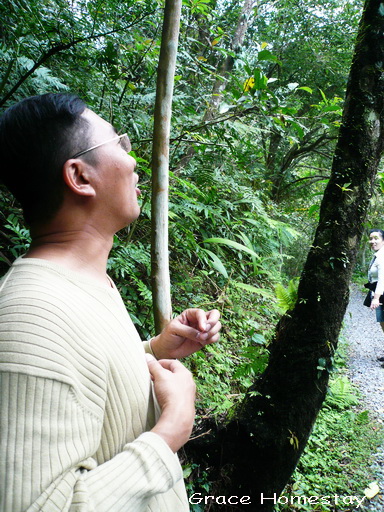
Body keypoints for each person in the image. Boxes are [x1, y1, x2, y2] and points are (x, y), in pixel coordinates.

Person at [0, 93, 221, 512]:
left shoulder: (84, 282)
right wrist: (170, 432)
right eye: (119, 143)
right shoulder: (30, 314)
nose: (133, 157)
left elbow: (81, 391)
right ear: (80, 177)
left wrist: (152, 351)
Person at [365, 229, 384, 358]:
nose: (372, 241)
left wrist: (376, 298)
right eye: (371, 238)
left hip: (381, 293)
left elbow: (382, 279)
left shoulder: (382, 257)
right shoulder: (378, 255)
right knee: (383, 324)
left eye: (376, 238)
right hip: (378, 292)